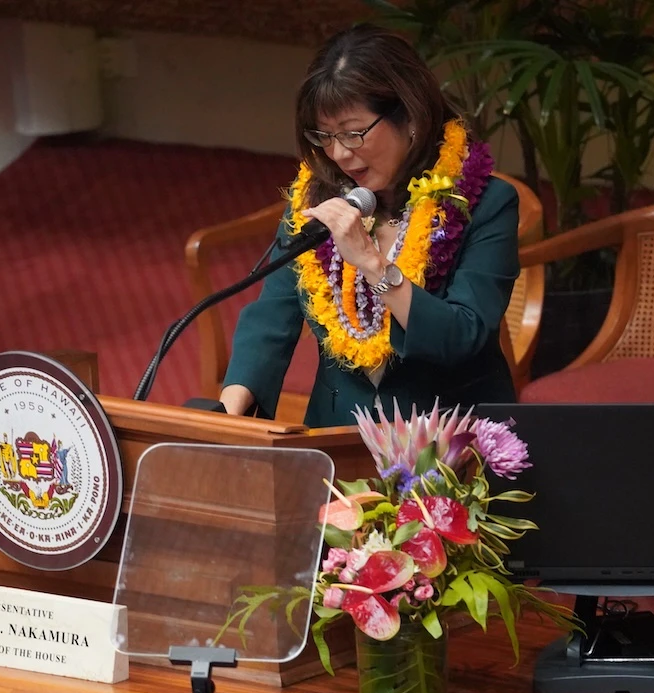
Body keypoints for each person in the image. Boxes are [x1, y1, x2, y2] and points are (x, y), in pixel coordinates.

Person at [218, 23, 520, 428]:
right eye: (324, 136)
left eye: (354, 133)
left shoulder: (483, 205)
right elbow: (273, 315)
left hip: (451, 442)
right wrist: (227, 411)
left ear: (410, 115)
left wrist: (371, 263)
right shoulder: (317, 199)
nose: (339, 153)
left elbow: (463, 335)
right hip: (336, 436)